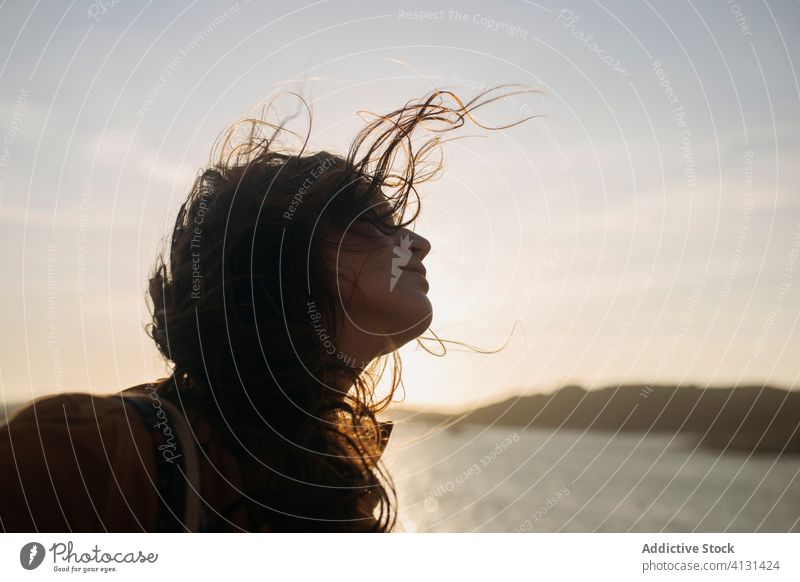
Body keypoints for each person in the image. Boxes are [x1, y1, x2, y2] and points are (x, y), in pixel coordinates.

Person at [0, 86, 536, 532]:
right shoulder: (88, 449)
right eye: (372, 221)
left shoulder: (333, 475)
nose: (417, 243)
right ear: (277, 255)